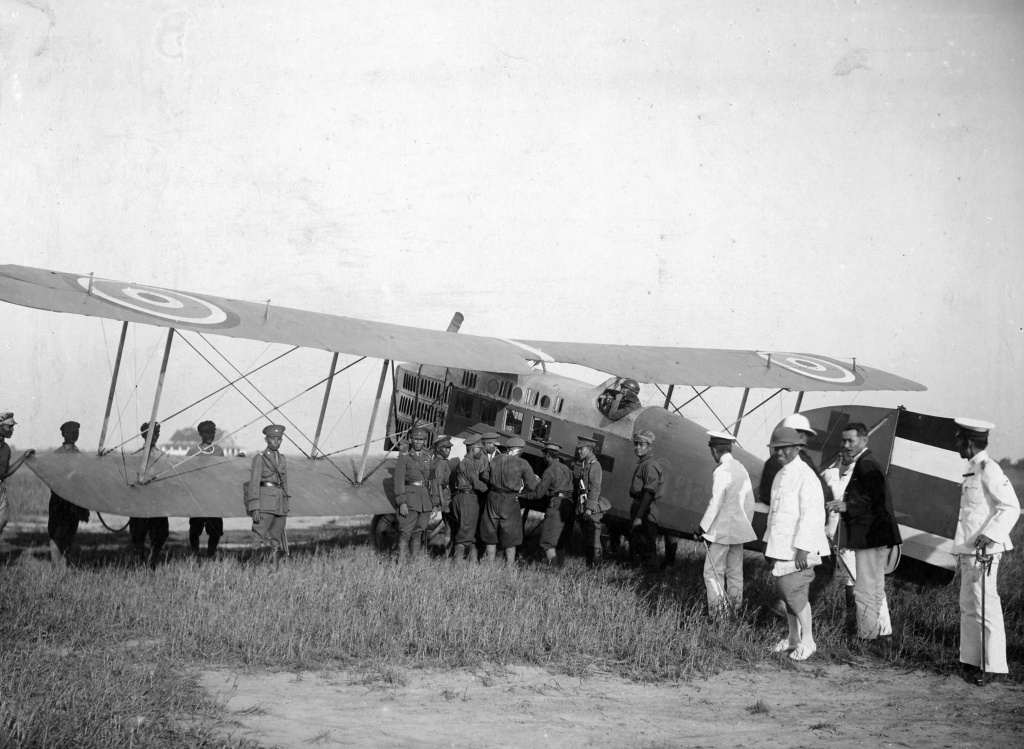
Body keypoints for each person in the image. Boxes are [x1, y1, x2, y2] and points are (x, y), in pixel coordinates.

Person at [952, 418, 1020, 685]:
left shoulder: (989, 468)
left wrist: (990, 534)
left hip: (986, 552)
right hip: (970, 551)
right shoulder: (973, 469)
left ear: (968, 442)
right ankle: (970, 662)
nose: (956, 443)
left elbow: (1011, 506)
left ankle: (993, 667)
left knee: (986, 607)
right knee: (968, 606)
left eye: (958, 439)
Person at [825, 423, 901, 641]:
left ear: (864, 441)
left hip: (868, 538)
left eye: (851, 441)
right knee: (876, 588)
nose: (846, 445)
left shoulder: (866, 464)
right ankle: (883, 634)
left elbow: (874, 498)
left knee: (865, 589)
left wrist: (847, 506)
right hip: (877, 537)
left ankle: (867, 638)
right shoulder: (869, 462)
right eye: (844, 441)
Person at [763, 425, 830, 662]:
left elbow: (812, 515)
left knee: (795, 591)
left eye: (784, 448)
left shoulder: (806, 476)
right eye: (775, 448)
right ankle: (793, 638)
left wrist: (804, 547)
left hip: (799, 548)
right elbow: (775, 513)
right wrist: (767, 543)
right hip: (781, 546)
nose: (779, 453)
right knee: (785, 590)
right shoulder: (781, 474)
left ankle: (809, 640)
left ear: (797, 448)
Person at [695, 431, 756, 609]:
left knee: (712, 572)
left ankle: (718, 615)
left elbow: (716, 502)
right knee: (735, 572)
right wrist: (744, 525)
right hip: (739, 531)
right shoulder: (741, 468)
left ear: (715, 450)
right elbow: (750, 502)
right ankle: (736, 609)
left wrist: (702, 527)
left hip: (722, 532)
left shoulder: (721, 471)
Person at [480, 436, 539, 563]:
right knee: (511, 533)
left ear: (508, 448)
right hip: (510, 499)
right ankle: (510, 566)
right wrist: (521, 492)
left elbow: (485, 475)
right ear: (520, 450)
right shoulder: (523, 463)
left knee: (490, 530)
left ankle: (489, 564)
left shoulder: (496, 459)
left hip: (492, 496)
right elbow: (532, 486)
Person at [47, 421, 90, 566]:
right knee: (55, 534)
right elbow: (51, 479)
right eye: (70, 432)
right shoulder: (56, 455)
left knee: (70, 534)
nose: (73, 435)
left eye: (76, 432)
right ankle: (55, 568)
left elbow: (84, 481)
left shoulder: (81, 456)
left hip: (74, 503)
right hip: (59, 502)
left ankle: (65, 567)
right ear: (63, 434)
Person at [246, 424, 291, 560]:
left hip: (279, 505)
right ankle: (254, 567)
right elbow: (254, 484)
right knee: (258, 537)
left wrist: (285, 506)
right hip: (265, 504)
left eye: (279, 439)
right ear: (266, 440)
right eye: (273, 438)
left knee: (276, 538)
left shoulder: (282, 459)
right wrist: (255, 507)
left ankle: (274, 567)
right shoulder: (260, 458)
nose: (276, 441)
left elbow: (285, 483)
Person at [128, 421, 170, 567]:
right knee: (138, 536)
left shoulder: (163, 456)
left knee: (160, 535)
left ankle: (153, 562)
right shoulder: (135, 456)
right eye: (151, 434)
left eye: (156, 434)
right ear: (144, 435)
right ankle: (140, 563)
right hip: (140, 504)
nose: (154, 437)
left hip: (157, 504)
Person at [528, 442, 574, 566]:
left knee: (548, 542)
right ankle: (559, 569)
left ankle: (553, 572)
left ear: (547, 455)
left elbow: (539, 494)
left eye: (544, 454)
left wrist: (523, 495)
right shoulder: (566, 469)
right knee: (560, 541)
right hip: (569, 504)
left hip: (557, 505)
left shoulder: (549, 470)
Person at [393, 426, 434, 560]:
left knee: (418, 533)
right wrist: (402, 502)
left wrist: (433, 502)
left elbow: (432, 479)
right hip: (410, 500)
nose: (418, 442)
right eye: (416, 439)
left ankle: (414, 565)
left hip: (425, 501)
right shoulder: (404, 457)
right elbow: (398, 481)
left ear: (425, 441)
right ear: (411, 440)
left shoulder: (428, 456)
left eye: (421, 440)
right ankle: (401, 565)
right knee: (405, 533)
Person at [186, 420, 225, 558]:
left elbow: (223, 472)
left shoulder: (219, 451)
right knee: (195, 529)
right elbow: (187, 473)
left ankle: (211, 554)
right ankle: (195, 555)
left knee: (215, 530)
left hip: (213, 498)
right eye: (206, 432)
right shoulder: (193, 451)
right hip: (197, 497)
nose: (209, 435)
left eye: (212, 432)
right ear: (200, 434)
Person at [629, 429, 664, 569]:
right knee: (638, 544)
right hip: (641, 508)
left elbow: (649, 494)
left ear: (649, 447)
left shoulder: (649, 465)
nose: (637, 447)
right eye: (636, 444)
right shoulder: (644, 464)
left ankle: (651, 582)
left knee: (647, 549)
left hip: (645, 511)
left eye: (641, 444)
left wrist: (639, 517)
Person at [450, 435, 488, 561]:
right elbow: (476, 483)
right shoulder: (467, 464)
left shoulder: (470, 463)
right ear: (473, 449)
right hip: (466, 498)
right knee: (465, 531)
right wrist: (492, 489)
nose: (481, 452)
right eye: (480, 450)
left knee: (470, 530)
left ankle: (470, 563)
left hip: (468, 497)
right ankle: (458, 565)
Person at [0, 411, 35, 541]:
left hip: (1, 490)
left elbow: (6, 473)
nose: (12, 429)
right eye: (10, 426)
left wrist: (23, 457)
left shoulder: (6, 449)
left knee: (2, 520)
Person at [574, 436, 608, 566]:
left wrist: (588, 509)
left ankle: (596, 570)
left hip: (591, 509)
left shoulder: (595, 465)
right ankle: (590, 567)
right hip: (584, 506)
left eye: (581, 449)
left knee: (594, 538)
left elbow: (595, 488)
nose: (579, 452)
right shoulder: (586, 464)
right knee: (588, 537)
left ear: (589, 450)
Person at [429, 435, 457, 552]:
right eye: (445, 448)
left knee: (448, 524)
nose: (448, 450)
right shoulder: (441, 463)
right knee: (450, 526)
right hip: (445, 497)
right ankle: (448, 554)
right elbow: (439, 484)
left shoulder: (436, 461)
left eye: (449, 448)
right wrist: (442, 502)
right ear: (438, 449)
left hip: (443, 496)